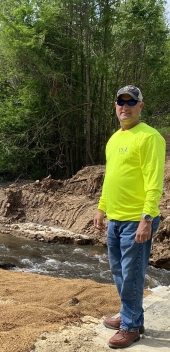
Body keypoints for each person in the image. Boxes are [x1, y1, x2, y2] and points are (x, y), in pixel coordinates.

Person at [93, 85, 166, 349]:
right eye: (120, 102)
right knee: (119, 272)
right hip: (115, 218)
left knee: (132, 275)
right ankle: (131, 316)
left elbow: (154, 181)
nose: (125, 107)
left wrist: (147, 218)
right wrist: (101, 208)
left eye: (131, 102)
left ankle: (131, 326)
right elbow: (110, 178)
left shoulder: (149, 137)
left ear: (140, 106)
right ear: (115, 106)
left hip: (137, 219)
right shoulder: (114, 139)